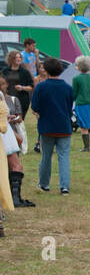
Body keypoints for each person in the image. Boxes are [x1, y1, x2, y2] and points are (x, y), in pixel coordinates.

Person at [31, 58, 74, 194]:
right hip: (64, 126)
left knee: (46, 157)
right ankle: (64, 186)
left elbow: (35, 106)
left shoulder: (41, 86)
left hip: (46, 126)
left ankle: (44, 184)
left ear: (46, 70)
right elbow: (69, 107)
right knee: (64, 157)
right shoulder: (67, 87)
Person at [2, 76, 33, 207]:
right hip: (4, 133)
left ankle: (13, 197)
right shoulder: (3, 98)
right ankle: (15, 197)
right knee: (15, 164)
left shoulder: (7, 98)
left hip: (6, 130)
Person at [3, 50, 34, 153]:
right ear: (11, 59)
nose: (19, 59)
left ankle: (19, 144)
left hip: (21, 100)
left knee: (18, 122)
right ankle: (9, 144)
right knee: (7, 122)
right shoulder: (5, 71)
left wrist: (23, 87)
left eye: (20, 57)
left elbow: (31, 86)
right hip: (7, 100)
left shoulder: (24, 72)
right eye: (16, 57)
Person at [71, 56, 90, 151]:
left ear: (79, 66)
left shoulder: (76, 78)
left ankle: (86, 147)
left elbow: (74, 93)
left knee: (83, 126)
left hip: (82, 104)